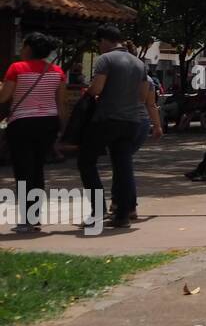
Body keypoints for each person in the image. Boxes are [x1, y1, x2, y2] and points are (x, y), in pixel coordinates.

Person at [80, 24, 162, 229]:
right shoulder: (139, 64)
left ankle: (98, 211)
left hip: (107, 119)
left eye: (99, 43)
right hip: (132, 121)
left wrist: (88, 92)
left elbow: (96, 88)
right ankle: (123, 215)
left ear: (104, 41)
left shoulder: (105, 60)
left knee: (86, 161)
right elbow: (143, 96)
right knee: (123, 165)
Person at [1, 32, 70, 232]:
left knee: (23, 171)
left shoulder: (16, 68)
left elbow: (4, 97)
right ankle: (35, 216)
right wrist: (62, 128)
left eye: (23, 46)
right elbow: (61, 103)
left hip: (22, 123)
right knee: (38, 169)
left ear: (29, 48)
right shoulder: (57, 71)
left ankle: (27, 219)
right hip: (48, 124)